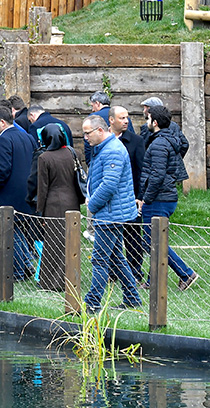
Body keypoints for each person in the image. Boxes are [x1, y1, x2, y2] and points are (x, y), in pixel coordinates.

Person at [82, 115, 142, 312]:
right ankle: (132, 298)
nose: (85, 137)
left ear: (100, 130)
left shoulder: (113, 150)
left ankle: (92, 302)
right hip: (109, 212)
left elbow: (109, 185)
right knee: (116, 257)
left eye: (87, 133)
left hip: (110, 213)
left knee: (99, 259)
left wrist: (93, 205)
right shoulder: (104, 148)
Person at [139, 105, 199, 291]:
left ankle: (186, 273)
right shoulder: (167, 141)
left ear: (155, 122)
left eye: (148, 119)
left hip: (159, 199)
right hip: (165, 196)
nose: (146, 122)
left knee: (152, 241)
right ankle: (153, 280)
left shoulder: (158, 144)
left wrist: (146, 199)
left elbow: (156, 175)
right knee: (154, 240)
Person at [0, 105, 37, 280]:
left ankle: (18, 272)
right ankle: (28, 263)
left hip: (8, 194)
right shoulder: (27, 137)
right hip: (25, 193)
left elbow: (3, 169)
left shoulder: (3, 139)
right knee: (18, 230)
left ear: (2, 122)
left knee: (9, 233)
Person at [35, 124, 82, 291]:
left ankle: (51, 282)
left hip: (54, 204)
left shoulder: (44, 158)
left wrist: (40, 212)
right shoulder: (72, 152)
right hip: (73, 202)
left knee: (53, 244)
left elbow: (43, 188)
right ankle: (69, 279)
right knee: (70, 242)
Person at [110, 105, 147, 282]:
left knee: (132, 234)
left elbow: (141, 171)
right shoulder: (103, 139)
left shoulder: (136, 141)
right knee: (109, 234)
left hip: (130, 196)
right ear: (111, 120)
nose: (126, 121)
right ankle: (112, 271)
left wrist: (140, 196)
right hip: (109, 197)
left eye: (127, 118)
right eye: (122, 118)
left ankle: (135, 270)